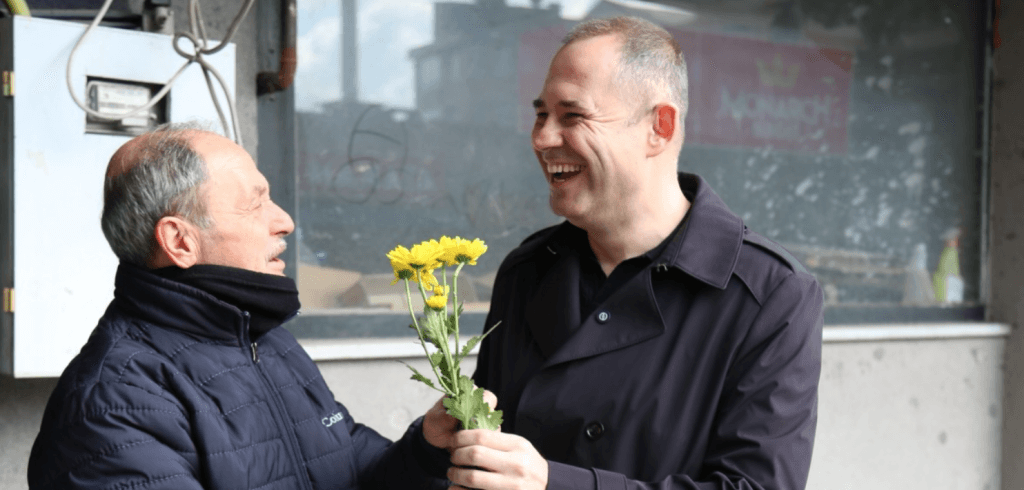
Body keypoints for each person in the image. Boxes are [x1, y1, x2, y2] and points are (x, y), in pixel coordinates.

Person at [446, 16, 824, 490]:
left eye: (573, 115)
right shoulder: (526, 270)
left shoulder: (770, 296)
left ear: (658, 128)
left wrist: (554, 484)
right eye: (542, 114)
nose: (541, 138)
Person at [27, 124, 461, 490]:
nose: (285, 221)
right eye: (255, 203)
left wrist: (425, 451)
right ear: (179, 241)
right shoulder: (113, 405)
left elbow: (347, 472)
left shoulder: (268, 342)